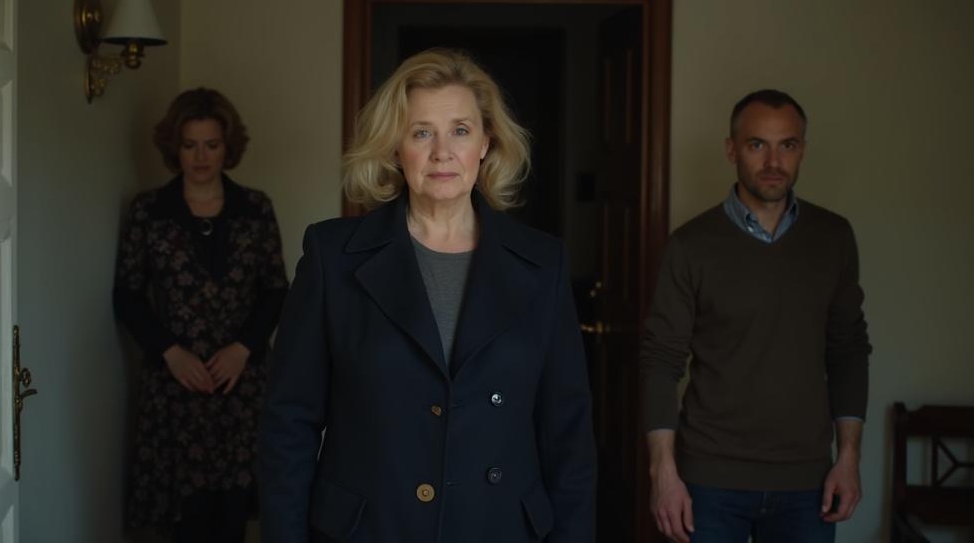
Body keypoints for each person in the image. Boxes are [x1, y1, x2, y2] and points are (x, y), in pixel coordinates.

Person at [259, 49, 596, 542]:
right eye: (421, 132)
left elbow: (569, 434)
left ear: (486, 143)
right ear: (396, 148)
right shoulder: (333, 255)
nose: (442, 152)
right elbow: (289, 423)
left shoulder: (543, 263)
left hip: (498, 528)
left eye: (460, 130)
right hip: (372, 530)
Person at [640, 89, 872, 542]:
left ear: (802, 150)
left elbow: (848, 351)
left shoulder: (833, 238)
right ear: (732, 150)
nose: (773, 162)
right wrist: (663, 473)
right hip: (709, 479)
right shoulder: (690, 245)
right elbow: (661, 360)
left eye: (787, 145)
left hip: (807, 483)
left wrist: (849, 458)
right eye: (757, 144)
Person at [114, 87, 288, 542]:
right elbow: (128, 295)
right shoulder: (149, 211)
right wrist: (170, 353)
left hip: (240, 383)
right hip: (175, 386)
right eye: (190, 145)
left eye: (211, 144)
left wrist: (242, 349)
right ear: (174, 147)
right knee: (184, 519)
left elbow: (275, 289)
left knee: (232, 515)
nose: (201, 156)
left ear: (228, 147)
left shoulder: (256, 208)